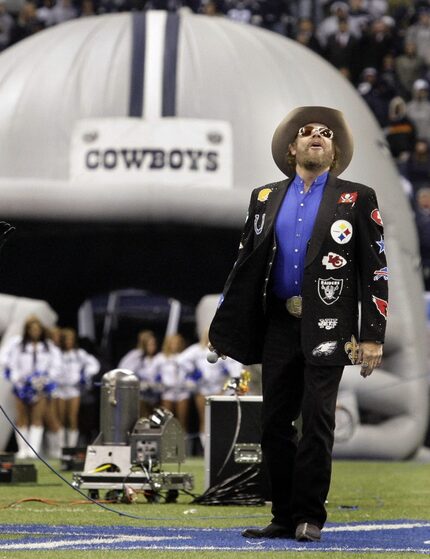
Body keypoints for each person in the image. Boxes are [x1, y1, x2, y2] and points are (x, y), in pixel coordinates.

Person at [209, 106, 388, 542]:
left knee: (318, 419)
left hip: (328, 322)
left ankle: (311, 515)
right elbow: (244, 264)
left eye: (327, 134)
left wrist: (371, 336)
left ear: (335, 151)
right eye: (307, 132)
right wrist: (222, 326)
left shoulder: (357, 198)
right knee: (273, 422)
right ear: (292, 149)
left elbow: (376, 270)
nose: (317, 137)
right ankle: (283, 514)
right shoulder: (265, 197)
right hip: (277, 324)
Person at [5, 315, 62, 458]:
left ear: (41, 330)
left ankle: (33, 449)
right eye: (32, 330)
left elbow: (56, 365)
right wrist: (18, 379)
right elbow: (11, 363)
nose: (35, 332)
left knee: (37, 417)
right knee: (22, 417)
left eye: (37, 330)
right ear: (27, 330)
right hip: (22, 386)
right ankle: (23, 450)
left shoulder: (48, 346)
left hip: (40, 386)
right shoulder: (18, 344)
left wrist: (45, 379)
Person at [55, 328, 100, 449]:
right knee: (60, 417)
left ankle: (71, 446)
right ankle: (61, 446)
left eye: (70, 339)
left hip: (74, 389)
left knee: (72, 417)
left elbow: (94, 364)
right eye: (66, 339)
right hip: (59, 389)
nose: (68, 341)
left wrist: (85, 374)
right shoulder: (57, 353)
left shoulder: (79, 354)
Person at [118, 329, 160, 417]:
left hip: (154, 394)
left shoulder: (158, 357)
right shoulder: (135, 355)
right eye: (150, 345)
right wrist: (139, 382)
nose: (153, 347)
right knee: (143, 417)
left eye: (154, 344)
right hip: (139, 394)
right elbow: (124, 372)